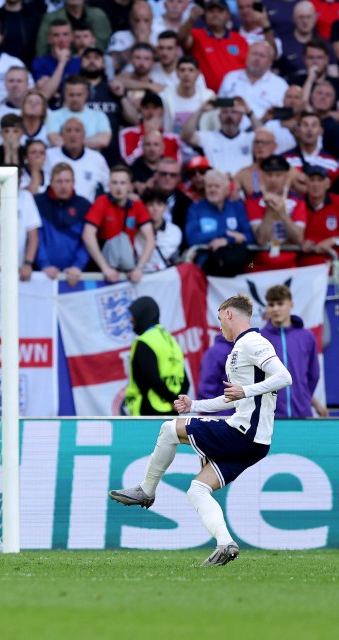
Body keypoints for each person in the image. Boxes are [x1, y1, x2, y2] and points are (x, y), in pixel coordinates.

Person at [110, 293, 294, 566]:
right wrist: (195, 404)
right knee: (197, 489)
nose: (220, 326)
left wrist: (246, 389)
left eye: (220, 320)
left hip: (243, 433)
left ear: (230, 315)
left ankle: (146, 490)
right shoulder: (240, 348)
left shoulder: (253, 342)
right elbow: (233, 398)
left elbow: (284, 377)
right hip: (254, 441)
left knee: (169, 428)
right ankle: (225, 544)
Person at [259, 284, 325, 418]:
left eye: (280, 303)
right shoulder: (258, 339)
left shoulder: (307, 337)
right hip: (268, 416)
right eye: (271, 305)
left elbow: (313, 375)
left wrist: (304, 398)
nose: (275, 309)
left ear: (291, 305)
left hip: (302, 413)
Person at [123, 296, 189, 417]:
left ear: (142, 315)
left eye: (133, 315)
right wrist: (176, 401)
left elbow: (151, 379)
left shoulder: (144, 342)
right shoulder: (170, 340)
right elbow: (185, 381)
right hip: (171, 412)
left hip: (148, 412)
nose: (131, 320)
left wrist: (172, 400)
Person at [185, 169, 254, 276]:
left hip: (239, 261)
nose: (213, 190)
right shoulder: (195, 209)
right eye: (209, 186)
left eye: (217, 186)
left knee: (252, 265)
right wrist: (225, 233)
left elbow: (250, 237)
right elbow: (192, 238)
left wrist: (227, 240)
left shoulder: (237, 207)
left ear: (226, 190)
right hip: (207, 263)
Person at [34, 162, 91, 285]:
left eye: (67, 181)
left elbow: (88, 239)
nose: (63, 186)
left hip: (75, 274)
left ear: (73, 182)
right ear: (51, 182)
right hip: (42, 274)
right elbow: (36, 237)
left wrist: (78, 265)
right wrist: (44, 265)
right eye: (59, 181)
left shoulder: (84, 205)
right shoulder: (38, 202)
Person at [198, 332, 234, 417]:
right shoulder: (216, 353)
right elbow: (206, 387)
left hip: (233, 415)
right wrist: (214, 416)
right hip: (222, 416)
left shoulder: (240, 349)